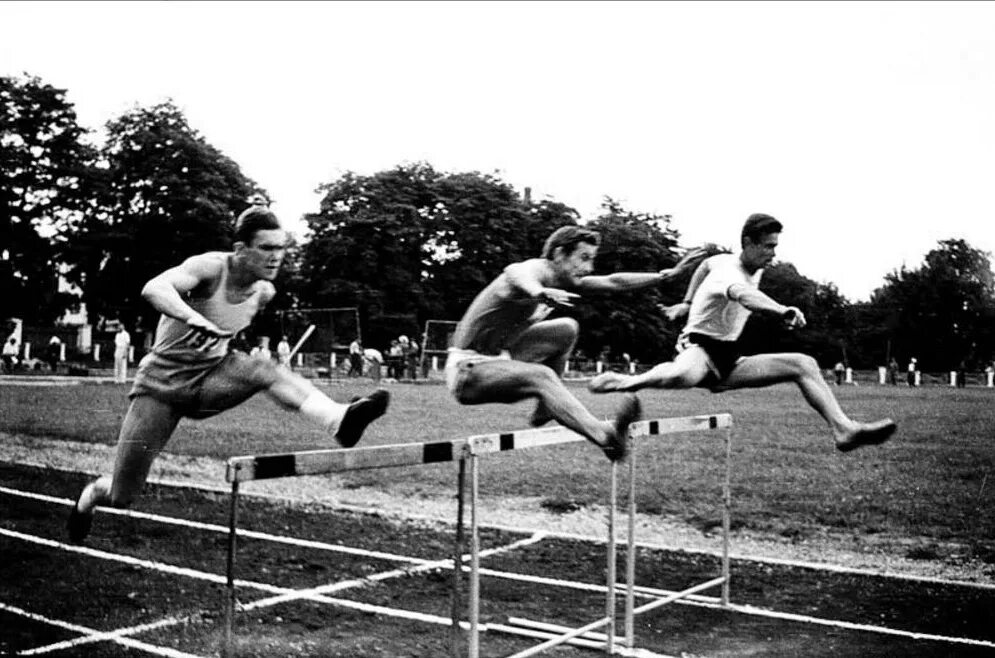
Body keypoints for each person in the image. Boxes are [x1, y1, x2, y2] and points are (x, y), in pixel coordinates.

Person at [67, 204, 390, 544]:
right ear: (240, 249)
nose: (276, 256)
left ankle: (338, 420)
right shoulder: (209, 269)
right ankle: (87, 499)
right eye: (266, 248)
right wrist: (193, 317)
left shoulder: (264, 292)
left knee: (262, 368)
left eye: (281, 248)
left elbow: (234, 331)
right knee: (122, 494)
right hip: (161, 387)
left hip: (210, 382)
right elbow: (154, 288)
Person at [589, 214, 897, 453]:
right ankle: (626, 381)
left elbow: (705, 264)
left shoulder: (730, 263)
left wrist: (685, 302)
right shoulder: (731, 272)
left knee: (803, 364)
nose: (773, 253)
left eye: (775, 246)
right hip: (698, 345)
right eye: (768, 246)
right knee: (682, 377)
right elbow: (747, 297)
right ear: (748, 243)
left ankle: (843, 429)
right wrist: (781, 310)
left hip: (728, 354)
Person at [445, 225, 716, 461]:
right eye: (583, 258)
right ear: (559, 253)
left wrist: (665, 276)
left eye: (592, 259)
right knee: (542, 375)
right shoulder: (536, 270)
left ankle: (545, 409)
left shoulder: (563, 279)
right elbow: (515, 271)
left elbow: (613, 282)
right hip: (466, 370)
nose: (588, 268)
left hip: (499, 359)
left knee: (566, 329)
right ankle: (605, 436)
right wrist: (538, 292)